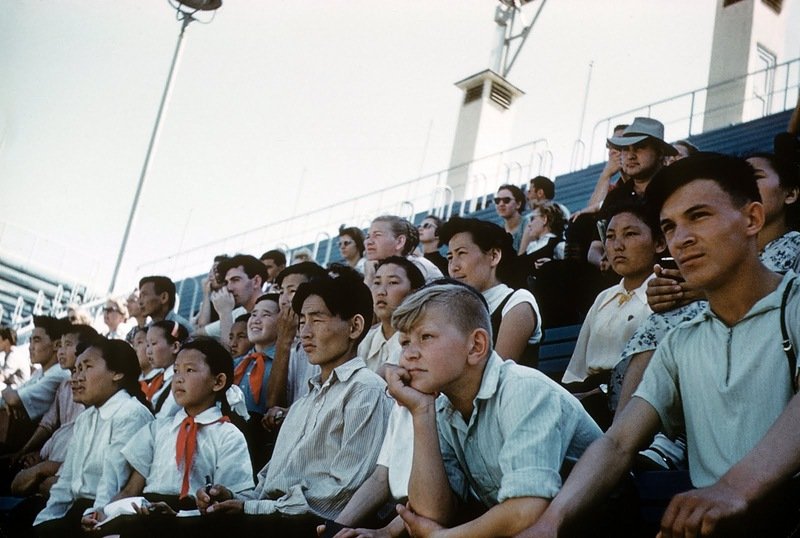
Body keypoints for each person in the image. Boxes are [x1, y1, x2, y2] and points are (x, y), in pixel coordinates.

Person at [517, 153, 800, 537]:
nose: (681, 239)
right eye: (669, 226)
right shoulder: (681, 339)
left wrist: (734, 488)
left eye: (699, 216)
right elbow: (618, 442)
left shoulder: (794, 303)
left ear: (752, 218)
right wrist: (552, 521)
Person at [384, 283, 601, 537]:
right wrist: (421, 412)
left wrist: (442, 537)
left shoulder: (521, 389)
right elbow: (431, 514)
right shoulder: (441, 407)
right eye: (405, 342)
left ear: (476, 346)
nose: (409, 354)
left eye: (426, 337)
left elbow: (527, 509)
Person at [196, 274, 392, 537]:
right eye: (302, 322)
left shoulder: (366, 391)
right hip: (273, 518)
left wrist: (254, 507)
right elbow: (268, 483)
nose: (305, 332)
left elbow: (340, 494)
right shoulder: (302, 403)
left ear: (355, 327)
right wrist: (230, 498)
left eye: (317, 320)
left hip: (310, 526)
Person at [81, 337, 254, 535]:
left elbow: (231, 503)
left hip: (194, 522)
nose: (179, 378)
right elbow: (131, 490)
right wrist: (101, 515)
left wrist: (183, 513)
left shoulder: (228, 435)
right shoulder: (157, 429)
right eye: (176, 371)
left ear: (218, 381)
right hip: (146, 514)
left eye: (189, 370)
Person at [32, 338, 152, 537]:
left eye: (87, 367)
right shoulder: (85, 418)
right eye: (76, 369)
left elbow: (111, 483)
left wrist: (94, 523)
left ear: (117, 373)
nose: (76, 378)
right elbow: (65, 483)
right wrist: (45, 520)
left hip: (103, 515)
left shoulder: (131, 414)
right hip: (76, 510)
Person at [562, 202, 664, 429]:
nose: (617, 245)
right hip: (587, 398)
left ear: (659, 242)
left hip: (634, 402)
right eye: (610, 236)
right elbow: (577, 371)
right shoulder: (604, 298)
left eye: (630, 234)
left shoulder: (665, 295)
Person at [8, 324, 98, 498]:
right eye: (60, 346)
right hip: (54, 450)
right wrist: (25, 451)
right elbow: (48, 424)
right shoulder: (65, 385)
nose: (61, 351)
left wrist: (44, 461)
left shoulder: (88, 387)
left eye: (68, 345)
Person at [438, 216, 541, 366]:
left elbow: (495, 375)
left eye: (461, 253)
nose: (454, 267)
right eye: (450, 257)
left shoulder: (518, 301)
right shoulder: (456, 309)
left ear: (494, 256)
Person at [263, 262, 328, 425]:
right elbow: (273, 402)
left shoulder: (328, 338)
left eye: (292, 291)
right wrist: (283, 341)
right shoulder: (292, 344)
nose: (284, 300)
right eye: (281, 291)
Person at [0, 316, 68, 451]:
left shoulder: (58, 374)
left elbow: (14, 398)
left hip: (34, 448)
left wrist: (11, 398)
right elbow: (13, 397)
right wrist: (11, 399)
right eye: (30, 341)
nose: (30, 347)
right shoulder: (40, 372)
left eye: (36, 340)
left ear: (56, 345)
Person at [357, 256, 425, 375]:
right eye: (377, 283)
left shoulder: (421, 342)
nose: (381, 292)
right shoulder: (364, 341)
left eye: (393, 282)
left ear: (414, 293)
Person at [234, 294, 279, 470]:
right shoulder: (237, 364)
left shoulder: (289, 362)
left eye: (266, 315)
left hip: (265, 447)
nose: (256, 320)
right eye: (253, 314)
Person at [197, 254, 268, 349]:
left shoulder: (274, 310)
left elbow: (230, 355)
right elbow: (199, 333)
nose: (229, 288)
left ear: (256, 281)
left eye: (235, 280)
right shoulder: (238, 314)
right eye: (227, 282)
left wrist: (225, 314)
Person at [364, 215, 443, 284]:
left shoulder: (418, 268)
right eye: (367, 236)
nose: (368, 242)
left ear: (399, 241)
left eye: (377, 235)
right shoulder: (375, 267)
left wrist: (369, 279)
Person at [146, 321, 190, 417]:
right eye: (147, 345)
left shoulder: (180, 381)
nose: (148, 351)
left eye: (153, 344)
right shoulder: (157, 378)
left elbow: (163, 417)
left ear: (175, 347)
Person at [519, 201, 566, 267]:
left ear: (544, 219)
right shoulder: (531, 247)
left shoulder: (559, 245)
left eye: (532, 219)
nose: (529, 224)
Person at [494, 184, 527, 252]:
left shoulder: (529, 226)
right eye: (497, 200)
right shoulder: (497, 231)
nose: (501, 204)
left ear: (518, 204)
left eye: (506, 200)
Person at [0, 326, 29, 391]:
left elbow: (3, 377)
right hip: (15, 387)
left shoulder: (14, 355)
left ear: (6, 341)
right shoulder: (10, 353)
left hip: (20, 390)